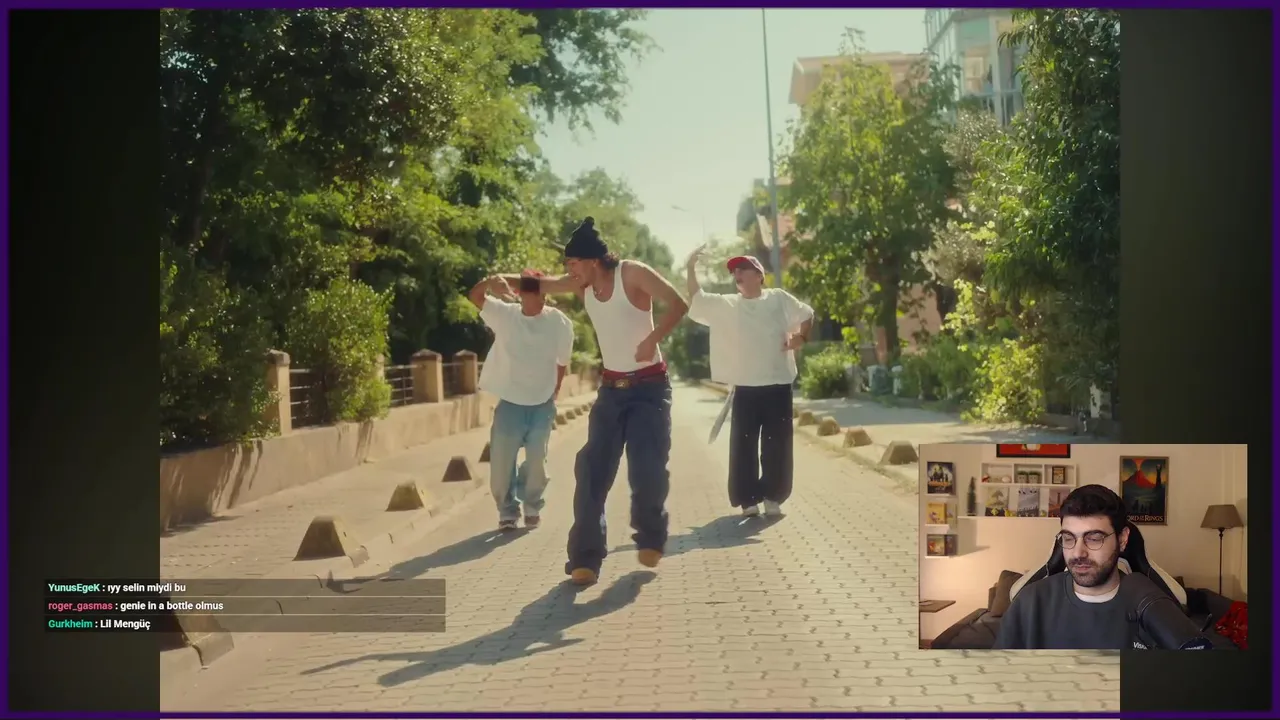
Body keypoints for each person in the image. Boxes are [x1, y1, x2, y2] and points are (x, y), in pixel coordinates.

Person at [492, 217, 689, 585]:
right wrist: (497, 280)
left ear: (593, 261)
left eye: (573, 263)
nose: (569, 271)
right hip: (611, 391)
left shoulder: (632, 274)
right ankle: (585, 558)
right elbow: (540, 284)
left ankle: (650, 536)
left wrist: (652, 340)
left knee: (647, 467)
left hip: (649, 388)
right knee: (590, 470)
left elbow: (678, 303)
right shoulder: (582, 285)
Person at [685, 247, 813, 517]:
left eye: (743, 269)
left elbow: (806, 314)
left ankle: (773, 497)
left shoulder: (778, 298)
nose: (737, 274)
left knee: (777, 445)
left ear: (759, 275)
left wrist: (801, 338)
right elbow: (698, 299)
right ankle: (748, 500)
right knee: (743, 446)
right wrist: (690, 268)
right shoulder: (728, 304)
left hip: (778, 385)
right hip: (745, 388)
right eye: (735, 271)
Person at [994, 484, 1165, 650]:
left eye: (1094, 538)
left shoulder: (1154, 608)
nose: (1078, 553)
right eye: (1068, 538)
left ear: (1122, 539)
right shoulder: (1029, 603)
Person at [467, 270, 574, 531]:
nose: (535, 296)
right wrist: (490, 280)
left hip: (541, 403)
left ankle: (532, 504)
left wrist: (555, 391)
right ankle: (507, 511)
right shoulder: (506, 315)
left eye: (538, 291)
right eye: (529, 291)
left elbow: (562, 361)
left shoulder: (558, 322)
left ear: (544, 294)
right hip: (510, 402)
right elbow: (475, 296)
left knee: (537, 460)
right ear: (520, 293)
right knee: (502, 464)